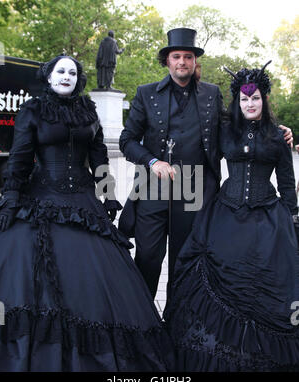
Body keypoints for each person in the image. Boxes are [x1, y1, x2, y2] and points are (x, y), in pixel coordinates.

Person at [0, 54, 174, 372]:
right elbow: (20, 158)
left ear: (78, 79)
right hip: (41, 197)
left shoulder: (88, 111)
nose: (66, 76)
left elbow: (99, 160)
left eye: (72, 72)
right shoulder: (32, 110)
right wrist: (11, 198)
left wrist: (108, 197)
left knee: (98, 279)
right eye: (60, 71)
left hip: (83, 201)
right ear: (49, 76)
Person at [118, 28, 293, 301]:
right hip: (153, 189)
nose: (182, 62)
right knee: (148, 258)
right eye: (176, 56)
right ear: (167, 60)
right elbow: (127, 140)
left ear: (195, 61)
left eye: (188, 57)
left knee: (184, 260)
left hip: (195, 188)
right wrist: (152, 161)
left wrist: (272, 132)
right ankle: (143, 325)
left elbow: (234, 125)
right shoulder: (146, 93)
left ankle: (175, 325)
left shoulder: (211, 94)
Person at [163, 62, 299, 371]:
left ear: (264, 100)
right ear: (237, 102)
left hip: (267, 218)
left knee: (267, 284)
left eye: (255, 98)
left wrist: (293, 223)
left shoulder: (278, 138)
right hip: (224, 214)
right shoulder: (225, 130)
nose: (250, 104)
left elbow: (288, 186)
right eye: (244, 99)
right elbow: (196, 149)